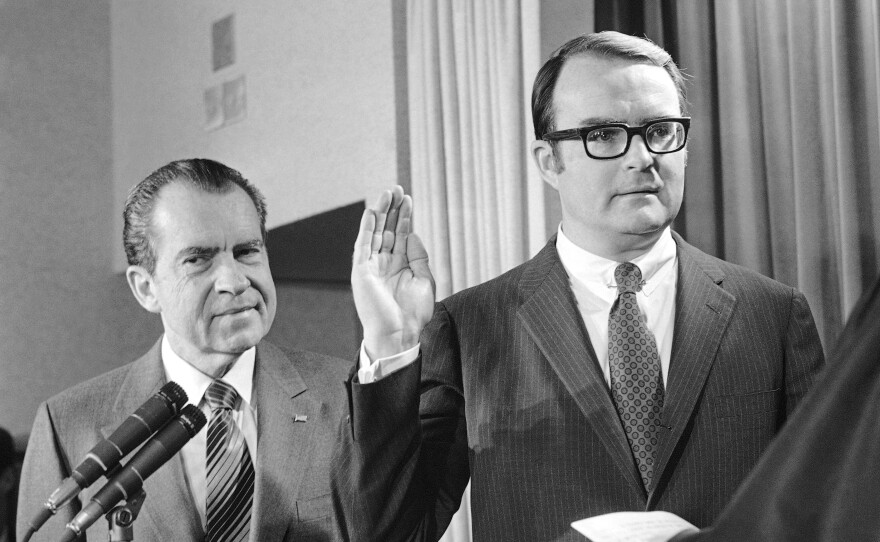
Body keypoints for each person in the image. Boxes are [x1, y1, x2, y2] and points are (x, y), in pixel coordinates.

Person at [331, 31, 825, 541]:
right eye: (605, 135)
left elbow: (827, 509)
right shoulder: (471, 327)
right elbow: (387, 532)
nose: (642, 158)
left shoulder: (773, 314)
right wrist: (390, 346)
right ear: (549, 162)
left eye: (659, 130)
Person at [17, 159, 349, 541]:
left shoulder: (345, 396)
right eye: (198, 259)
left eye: (246, 251)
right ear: (146, 288)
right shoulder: (67, 426)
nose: (235, 281)